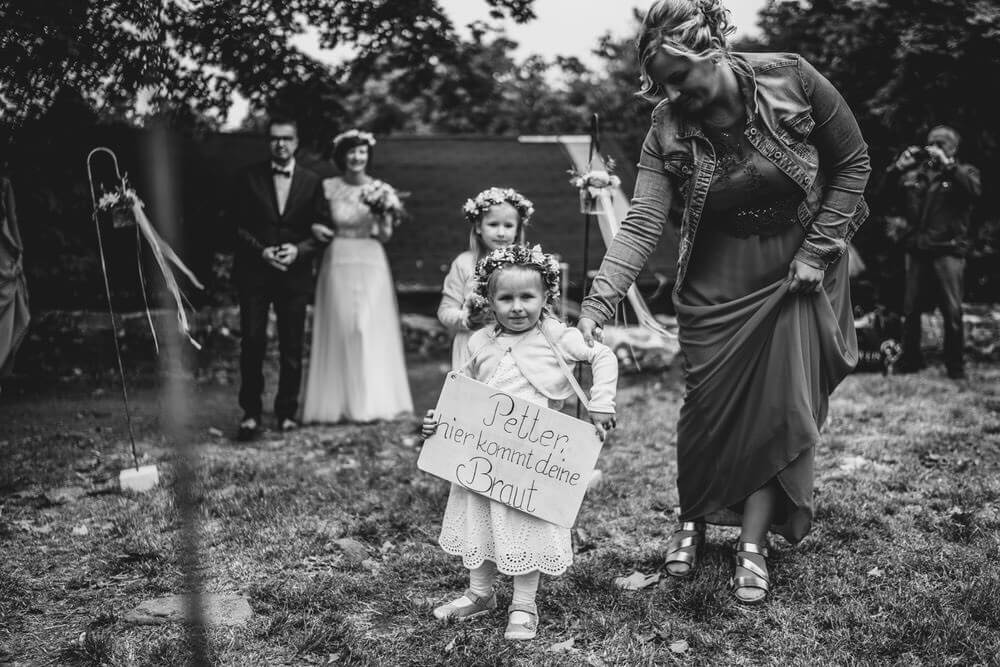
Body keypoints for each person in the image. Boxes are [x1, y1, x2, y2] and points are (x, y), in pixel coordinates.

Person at [576, 0, 871, 603]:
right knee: (705, 406)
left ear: (710, 48)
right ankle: (693, 517)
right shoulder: (666, 125)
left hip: (797, 268)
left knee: (778, 407)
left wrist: (816, 252)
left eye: (679, 78)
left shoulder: (792, 77)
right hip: (717, 272)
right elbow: (642, 222)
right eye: (662, 85)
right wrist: (597, 304)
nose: (674, 94)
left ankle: (754, 543)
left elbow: (853, 163)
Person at [421, 244, 618, 640]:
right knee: (480, 519)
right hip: (483, 458)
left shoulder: (558, 337)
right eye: (505, 298)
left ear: (546, 297)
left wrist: (601, 402)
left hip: (529, 463)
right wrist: (438, 422)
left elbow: (603, 356)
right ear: (489, 300)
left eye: (527, 297)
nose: (517, 307)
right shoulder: (479, 342)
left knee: (525, 525)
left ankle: (524, 604)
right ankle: (480, 594)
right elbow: (460, 392)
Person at [301, 129, 413, 423]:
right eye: (352, 151)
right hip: (338, 256)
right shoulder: (326, 187)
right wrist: (314, 229)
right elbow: (312, 221)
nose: (357, 157)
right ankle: (338, 403)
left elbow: (386, 236)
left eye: (362, 151)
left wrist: (383, 214)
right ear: (342, 155)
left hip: (371, 258)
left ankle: (372, 402)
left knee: (367, 327)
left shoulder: (382, 189)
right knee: (342, 326)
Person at [230, 116, 330, 440]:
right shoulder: (247, 178)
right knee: (253, 342)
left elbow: (322, 230)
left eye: (287, 139)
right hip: (254, 273)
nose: (281, 144)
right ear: (268, 142)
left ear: (296, 142)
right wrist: (260, 251)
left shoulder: (313, 182)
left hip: (294, 276)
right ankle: (251, 413)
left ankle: (287, 412)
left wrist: (298, 250)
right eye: (275, 139)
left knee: (291, 346)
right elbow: (235, 226)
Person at [884, 125, 981, 379]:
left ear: (954, 148)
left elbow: (974, 192)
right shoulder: (915, 174)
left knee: (952, 311)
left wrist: (948, 165)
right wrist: (896, 169)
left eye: (942, 143)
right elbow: (883, 197)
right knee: (911, 309)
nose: (935, 147)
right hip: (918, 250)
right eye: (932, 142)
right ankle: (910, 361)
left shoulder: (964, 172)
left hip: (949, 250)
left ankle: (955, 366)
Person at [437, 187, 533, 369]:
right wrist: (468, 318)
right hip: (473, 346)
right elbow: (445, 311)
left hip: (514, 347)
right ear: (479, 227)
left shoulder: (526, 265)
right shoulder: (464, 263)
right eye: (493, 224)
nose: (501, 233)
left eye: (508, 225)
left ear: (517, 229)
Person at [0, 176, 29, 384]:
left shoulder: (4, 184)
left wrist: (19, 252)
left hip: (3, 256)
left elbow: (12, 219)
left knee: (9, 317)